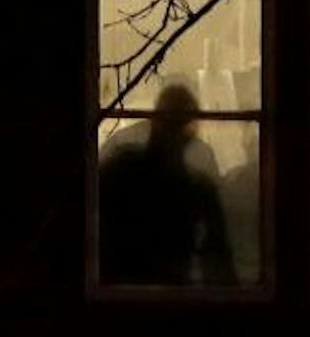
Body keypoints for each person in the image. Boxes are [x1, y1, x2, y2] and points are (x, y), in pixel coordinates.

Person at [99, 84, 237, 286]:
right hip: (169, 293)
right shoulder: (198, 186)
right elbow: (220, 260)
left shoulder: (119, 165)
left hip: (119, 293)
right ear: (191, 129)